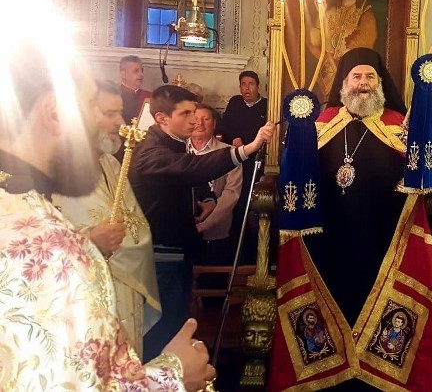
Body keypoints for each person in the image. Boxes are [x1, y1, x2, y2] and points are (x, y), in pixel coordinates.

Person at [0, 45, 213, 390]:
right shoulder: (45, 244)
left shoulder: (20, 204)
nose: (115, 123)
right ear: (54, 113)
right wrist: (172, 376)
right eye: (92, 107)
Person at [270, 48, 432, 391]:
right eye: (357, 77)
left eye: (370, 77)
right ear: (344, 83)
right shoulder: (321, 123)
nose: (363, 84)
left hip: (385, 238)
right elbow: (296, 170)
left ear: (380, 83)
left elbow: (422, 173)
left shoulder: (399, 125)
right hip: (329, 239)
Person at [129, 84, 274, 361]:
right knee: (162, 332)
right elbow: (189, 169)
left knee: (176, 326)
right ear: (161, 118)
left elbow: (187, 180)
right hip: (160, 257)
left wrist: (206, 200)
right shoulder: (150, 152)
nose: (195, 121)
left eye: (194, 113)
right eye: (186, 114)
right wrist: (247, 150)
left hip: (176, 252)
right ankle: (156, 378)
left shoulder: (171, 145)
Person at [54, 79, 160, 358]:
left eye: (120, 113)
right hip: (79, 302)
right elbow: (28, 247)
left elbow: (135, 224)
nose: (120, 123)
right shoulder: (53, 168)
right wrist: (88, 242)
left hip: (124, 291)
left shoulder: (110, 162)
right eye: (110, 113)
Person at [309, 0, 378, 100]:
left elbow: (365, 44)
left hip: (350, 77)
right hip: (326, 75)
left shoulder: (364, 13)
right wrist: (320, 14)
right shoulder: (330, 12)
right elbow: (314, 41)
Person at [188, 103, 243, 265]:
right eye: (195, 119)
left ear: (214, 124)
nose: (199, 123)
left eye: (205, 119)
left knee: (213, 275)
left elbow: (231, 194)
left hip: (216, 231)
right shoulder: (177, 151)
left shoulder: (230, 153)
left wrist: (205, 224)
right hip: (181, 231)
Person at [218, 70, 268, 243]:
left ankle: (250, 235)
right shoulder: (235, 102)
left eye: (251, 84)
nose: (247, 88)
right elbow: (225, 125)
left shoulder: (266, 105)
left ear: (258, 87)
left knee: (251, 195)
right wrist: (234, 137)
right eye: (243, 84)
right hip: (236, 157)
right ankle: (232, 234)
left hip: (256, 159)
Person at [120, 55, 151, 124]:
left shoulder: (150, 96)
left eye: (142, 70)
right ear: (123, 74)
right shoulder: (115, 95)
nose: (141, 74)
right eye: (136, 71)